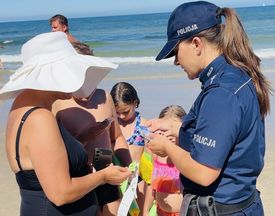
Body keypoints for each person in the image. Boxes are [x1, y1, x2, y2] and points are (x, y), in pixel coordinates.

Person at [145, 1, 272, 215]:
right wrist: (179, 127)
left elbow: (204, 172)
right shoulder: (235, 74)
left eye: (176, 51)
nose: (176, 61)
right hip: (242, 203)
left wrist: (167, 148)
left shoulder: (221, 93)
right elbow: (228, 135)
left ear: (196, 44)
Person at [0, 31, 132, 215]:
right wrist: (103, 176)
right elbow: (60, 193)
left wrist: (83, 138)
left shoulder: (23, 107)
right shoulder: (40, 118)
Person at [52, 41, 132, 216]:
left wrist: (129, 167)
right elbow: (54, 153)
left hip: (107, 172)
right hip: (79, 179)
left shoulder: (104, 97)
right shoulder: (58, 103)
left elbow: (116, 137)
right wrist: (83, 137)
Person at [110, 82, 151, 213]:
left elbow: (150, 159)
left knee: (138, 212)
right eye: (117, 112)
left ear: (135, 102)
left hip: (137, 180)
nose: (121, 116)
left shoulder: (144, 126)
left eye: (125, 112)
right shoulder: (111, 125)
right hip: (115, 179)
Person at [144, 105, 186, 216]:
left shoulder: (186, 154)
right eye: (164, 130)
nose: (169, 134)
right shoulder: (156, 154)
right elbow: (152, 185)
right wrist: (145, 210)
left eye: (172, 129)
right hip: (160, 212)